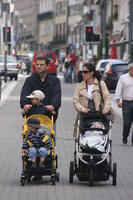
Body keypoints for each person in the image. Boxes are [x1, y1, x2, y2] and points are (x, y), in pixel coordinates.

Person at [73, 62, 111, 138]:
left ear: (92, 73)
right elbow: (75, 101)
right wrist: (82, 109)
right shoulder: (79, 86)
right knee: (80, 137)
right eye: (82, 72)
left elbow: (107, 98)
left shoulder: (101, 84)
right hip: (84, 115)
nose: (83, 74)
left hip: (98, 115)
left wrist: (106, 109)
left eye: (85, 72)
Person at [20, 54, 61, 123]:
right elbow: (24, 94)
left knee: (50, 133)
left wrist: (53, 106)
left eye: (41, 65)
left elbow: (57, 95)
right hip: (32, 116)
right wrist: (24, 105)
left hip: (48, 116)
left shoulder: (55, 81)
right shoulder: (29, 80)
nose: (39, 67)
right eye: (37, 65)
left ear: (47, 66)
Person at [115, 63, 133, 145]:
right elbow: (118, 89)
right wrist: (118, 101)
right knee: (127, 122)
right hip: (127, 103)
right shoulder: (123, 78)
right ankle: (125, 136)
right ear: (130, 69)